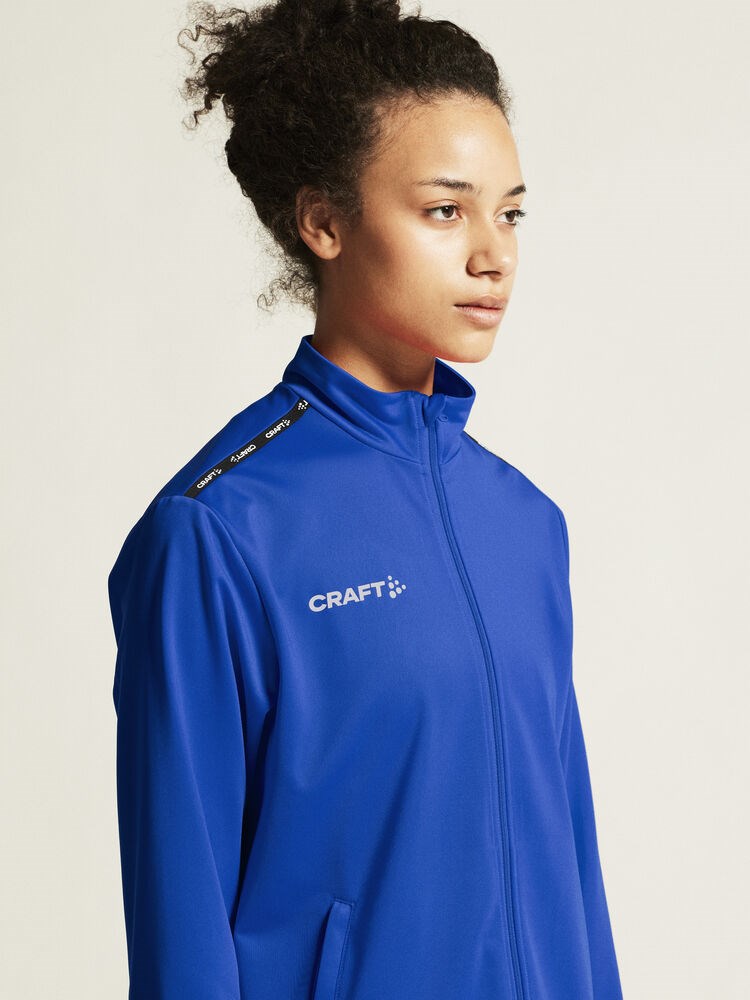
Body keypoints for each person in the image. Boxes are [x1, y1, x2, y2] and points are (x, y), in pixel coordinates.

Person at [107, 1, 624, 997]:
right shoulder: (218, 532)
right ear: (324, 222)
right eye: (445, 210)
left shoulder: (527, 524)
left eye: (510, 212)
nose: (493, 253)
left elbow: (573, 870)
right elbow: (183, 925)